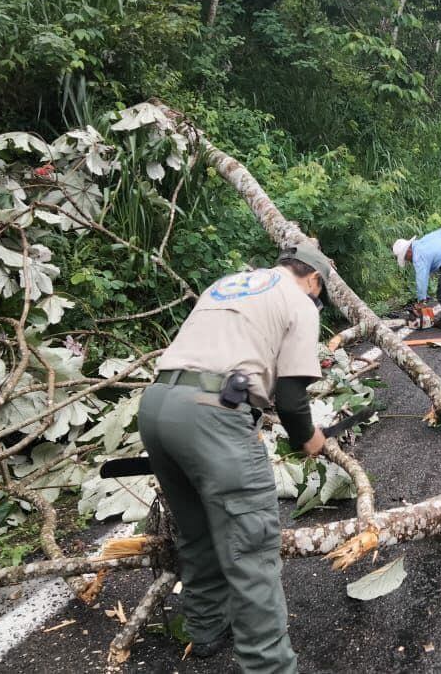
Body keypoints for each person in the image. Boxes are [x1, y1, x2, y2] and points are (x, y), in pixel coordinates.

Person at [137, 242, 333, 674]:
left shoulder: (230, 285)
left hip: (156, 406)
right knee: (251, 548)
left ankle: (205, 629)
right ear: (314, 280)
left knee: (197, 532)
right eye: (320, 294)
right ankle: (269, 667)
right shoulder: (300, 302)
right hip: (212, 415)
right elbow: (291, 398)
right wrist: (311, 441)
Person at [392, 224, 441, 334]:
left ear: (408, 252)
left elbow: (421, 279)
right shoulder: (428, 238)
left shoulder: (418, 255)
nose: (408, 261)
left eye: (406, 258)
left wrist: (421, 301)